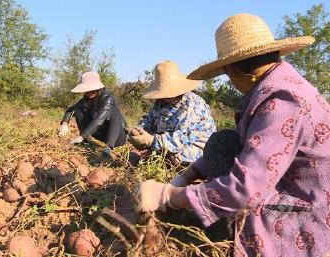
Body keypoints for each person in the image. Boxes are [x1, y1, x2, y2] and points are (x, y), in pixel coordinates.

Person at [136, 13, 330, 256]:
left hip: (310, 207)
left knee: (237, 197)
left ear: (235, 70)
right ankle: (221, 215)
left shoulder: (283, 102)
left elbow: (246, 188)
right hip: (288, 180)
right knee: (223, 141)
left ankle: (228, 228)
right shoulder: (273, 87)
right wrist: (185, 177)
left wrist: (169, 195)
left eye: (227, 74)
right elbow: (241, 141)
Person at [128, 60, 216, 164]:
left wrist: (151, 141)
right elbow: (149, 121)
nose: (166, 97)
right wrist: (138, 131)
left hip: (197, 145)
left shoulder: (192, 103)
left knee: (177, 156)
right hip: (166, 143)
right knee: (153, 155)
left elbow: (183, 137)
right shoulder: (160, 103)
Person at [59, 71, 127, 158]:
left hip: (116, 137)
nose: (88, 92)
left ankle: (109, 148)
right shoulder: (87, 99)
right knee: (78, 110)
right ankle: (86, 141)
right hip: (100, 134)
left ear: (97, 88)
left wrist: (81, 136)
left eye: (91, 90)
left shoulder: (108, 98)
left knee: (114, 113)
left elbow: (99, 120)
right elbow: (71, 110)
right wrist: (64, 124)